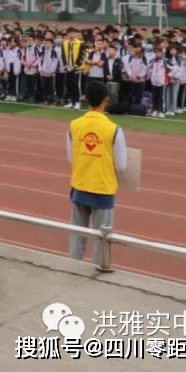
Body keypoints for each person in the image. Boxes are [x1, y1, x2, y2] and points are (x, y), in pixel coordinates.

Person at [67, 81, 129, 264]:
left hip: (80, 185)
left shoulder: (74, 125)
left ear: (86, 99)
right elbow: (122, 164)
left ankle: (72, 267)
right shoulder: (114, 129)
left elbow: (71, 157)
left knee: (77, 235)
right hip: (103, 188)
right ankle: (97, 271)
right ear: (106, 101)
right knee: (102, 237)